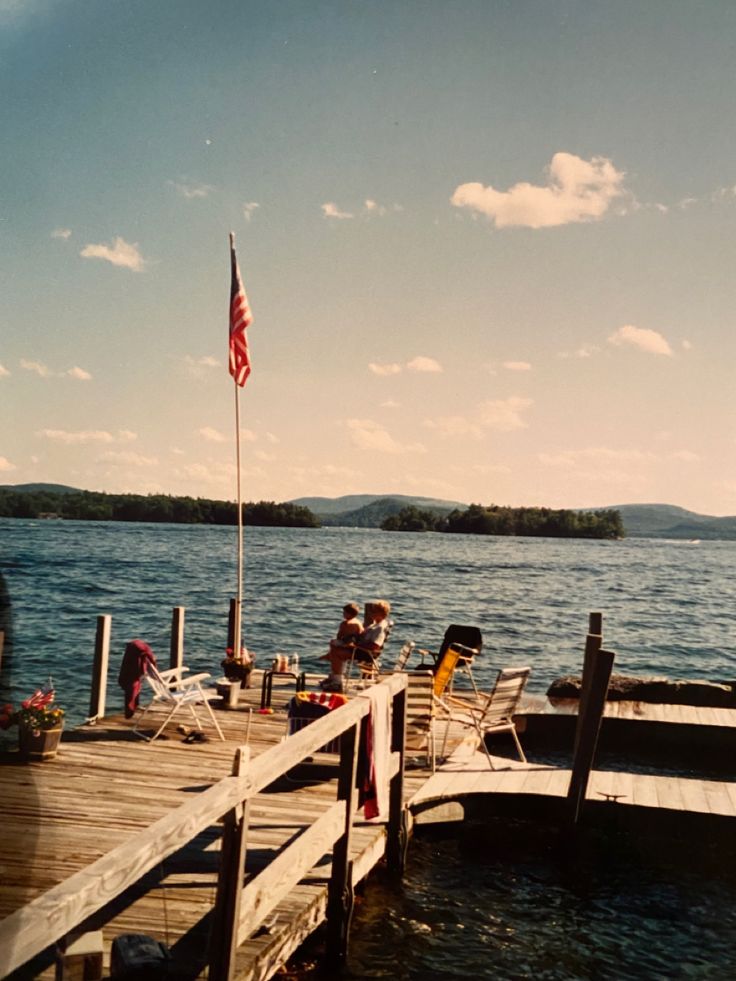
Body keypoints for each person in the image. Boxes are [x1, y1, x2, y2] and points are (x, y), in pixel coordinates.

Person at [321, 600, 392, 691]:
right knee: (335, 646)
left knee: (337, 653)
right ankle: (335, 677)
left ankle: (337, 682)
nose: (371, 613)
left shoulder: (380, 628)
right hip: (360, 648)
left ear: (381, 613)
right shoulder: (376, 624)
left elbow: (375, 646)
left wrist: (354, 646)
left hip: (365, 653)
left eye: (374, 611)